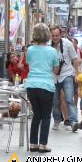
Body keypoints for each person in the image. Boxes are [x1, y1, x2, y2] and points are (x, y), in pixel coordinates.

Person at [25, 23, 59, 153]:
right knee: (46, 115)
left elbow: (29, 63)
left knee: (36, 114)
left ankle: (33, 143)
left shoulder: (30, 50)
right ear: (48, 35)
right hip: (46, 85)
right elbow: (55, 70)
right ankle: (43, 144)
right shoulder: (52, 51)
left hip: (32, 84)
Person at [49, 26, 80, 132]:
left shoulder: (67, 44)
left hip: (66, 74)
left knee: (69, 99)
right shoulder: (48, 45)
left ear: (61, 34)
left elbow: (75, 59)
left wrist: (76, 73)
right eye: (53, 36)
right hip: (53, 76)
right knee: (55, 101)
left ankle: (73, 121)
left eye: (57, 35)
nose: (55, 38)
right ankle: (57, 120)